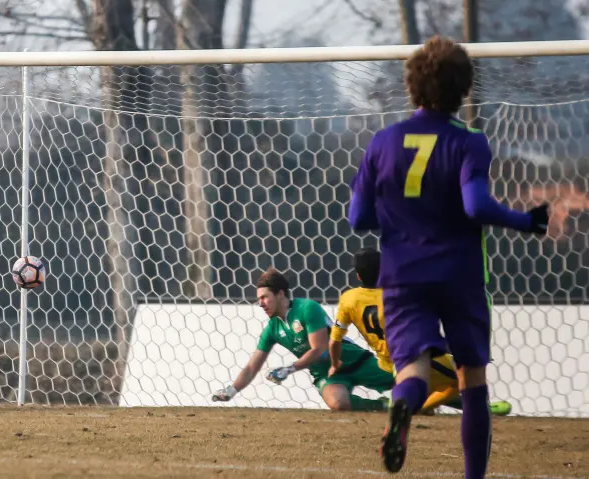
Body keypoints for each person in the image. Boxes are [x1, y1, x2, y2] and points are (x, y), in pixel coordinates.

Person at [349, 35, 549, 477]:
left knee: (414, 369)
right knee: (471, 378)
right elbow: (475, 205)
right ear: (463, 89)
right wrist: (525, 221)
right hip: (459, 275)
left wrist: (399, 216)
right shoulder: (469, 141)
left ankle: (402, 407)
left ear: (411, 86)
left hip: (402, 275)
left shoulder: (382, 142)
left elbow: (357, 218)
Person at [330, 248, 512, 416]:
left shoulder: (348, 299)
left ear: (358, 276)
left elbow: (335, 340)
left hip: (386, 362)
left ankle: (413, 401)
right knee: (463, 376)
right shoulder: (398, 293)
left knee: (434, 381)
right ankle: (416, 408)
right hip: (412, 356)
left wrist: (334, 363)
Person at [211, 268, 393, 412]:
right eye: (259, 299)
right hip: (327, 375)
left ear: (280, 293)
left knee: (407, 383)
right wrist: (231, 390)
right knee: (339, 404)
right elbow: (252, 367)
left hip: (355, 361)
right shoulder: (273, 328)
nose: (261, 303)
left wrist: (289, 369)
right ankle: (385, 406)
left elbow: (319, 349)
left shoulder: (307, 308)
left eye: (265, 297)